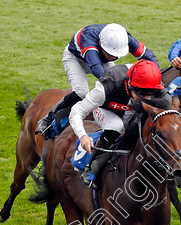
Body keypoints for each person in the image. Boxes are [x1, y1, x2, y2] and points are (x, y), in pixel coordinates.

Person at [36, 24, 158, 138]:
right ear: (100, 43)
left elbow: (149, 57)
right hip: (75, 59)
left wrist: (155, 78)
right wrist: (116, 86)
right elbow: (98, 69)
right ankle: (48, 118)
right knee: (82, 92)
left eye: (117, 55)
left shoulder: (125, 38)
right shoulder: (88, 39)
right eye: (111, 54)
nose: (114, 57)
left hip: (100, 59)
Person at [68, 60, 166, 188]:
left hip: (129, 108)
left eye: (150, 93)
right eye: (142, 93)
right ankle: (91, 167)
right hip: (106, 109)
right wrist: (83, 136)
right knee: (116, 126)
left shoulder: (153, 84)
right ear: (130, 85)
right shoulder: (106, 88)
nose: (146, 98)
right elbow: (76, 111)